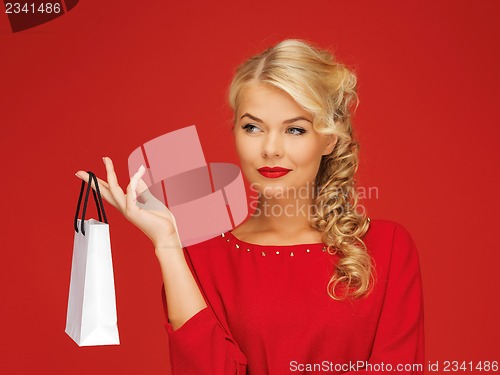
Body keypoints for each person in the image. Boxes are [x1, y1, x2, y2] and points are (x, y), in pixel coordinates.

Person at [76, 39, 424, 374]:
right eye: (253, 127)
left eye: (296, 130)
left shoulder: (387, 248)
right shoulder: (199, 259)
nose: (270, 149)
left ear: (329, 140)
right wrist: (167, 243)